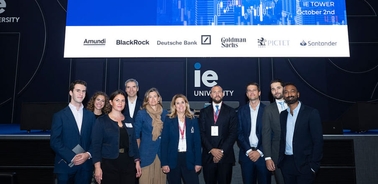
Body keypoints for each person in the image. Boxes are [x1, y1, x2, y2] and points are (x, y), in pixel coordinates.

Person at [50, 80, 96, 184]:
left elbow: (95, 140)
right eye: (78, 90)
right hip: (65, 166)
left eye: (83, 91)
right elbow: (54, 141)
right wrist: (72, 157)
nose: (81, 94)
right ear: (71, 92)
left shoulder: (91, 116)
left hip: (85, 167)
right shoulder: (59, 116)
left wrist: (88, 154)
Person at [92, 90, 141, 184]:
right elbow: (96, 146)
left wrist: (137, 161)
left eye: (123, 100)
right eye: (117, 100)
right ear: (111, 102)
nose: (120, 103)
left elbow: (134, 143)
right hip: (109, 164)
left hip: (128, 162)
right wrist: (97, 167)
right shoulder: (102, 121)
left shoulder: (129, 120)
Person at [277, 83, 323, 184]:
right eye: (286, 92)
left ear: (298, 94)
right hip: (287, 163)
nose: (289, 94)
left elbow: (318, 141)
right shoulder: (283, 115)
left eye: (292, 91)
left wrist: (313, 166)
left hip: (305, 164)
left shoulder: (311, 113)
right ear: (284, 96)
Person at [199, 85, 238, 184]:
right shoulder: (203, 112)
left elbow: (233, 133)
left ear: (223, 94)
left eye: (219, 92)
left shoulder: (231, 111)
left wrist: (221, 151)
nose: (217, 94)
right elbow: (201, 132)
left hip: (225, 157)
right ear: (210, 95)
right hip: (208, 156)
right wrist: (212, 150)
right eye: (214, 92)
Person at [161, 94, 202, 184]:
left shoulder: (193, 120)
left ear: (186, 104)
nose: (180, 105)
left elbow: (197, 142)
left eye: (182, 102)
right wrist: (164, 163)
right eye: (177, 103)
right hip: (173, 159)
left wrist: (198, 162)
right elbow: (164, 143)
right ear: (174, 106)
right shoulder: (168, 120)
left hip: (189, 158)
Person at [237, 82, 271, 184]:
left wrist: (259, 151)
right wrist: (248, 151)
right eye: (249, 91)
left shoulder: (268, 110)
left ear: (259, 93)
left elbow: (271, 133)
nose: (252, 92)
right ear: (247, 94)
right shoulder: (241, 110)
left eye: (254, 90)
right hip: (246, 155)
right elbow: (239, 133)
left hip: (263, 156)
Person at [134, 87, 168, 184]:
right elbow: (136, 135)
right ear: (146, 100)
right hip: (146, 155)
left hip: (161, 155)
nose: (153, 99)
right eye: (150, 97)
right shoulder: (142, 114)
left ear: (158, 99)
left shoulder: (165, 114)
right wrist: (137, 157)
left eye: (155, 97)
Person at [261, 79, 286, 184]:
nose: (276, 91)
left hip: (297, 155)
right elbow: (265, 134)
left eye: (278, 88)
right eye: (273, 89)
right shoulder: (268, 109)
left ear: (284, 88)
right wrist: (268, 157)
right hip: (277, 155)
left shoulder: (295, 105)